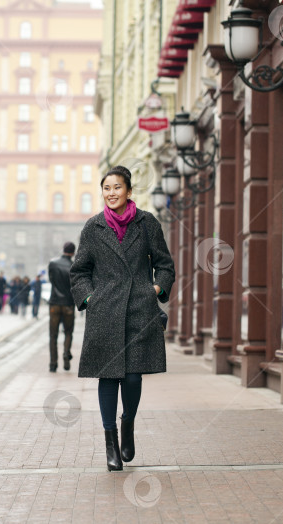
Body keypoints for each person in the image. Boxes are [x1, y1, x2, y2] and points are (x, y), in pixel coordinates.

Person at [70, 165, 175, 472]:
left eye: (117, 187)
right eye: (106, 188)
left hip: (139, 311)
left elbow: (165, 265)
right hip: (105, 312)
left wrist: (154, 289)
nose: (111, 193)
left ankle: (127, 422)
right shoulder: (93, 227)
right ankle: (110, 442)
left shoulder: (147, 224)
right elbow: (79, 271)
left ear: (129, 192)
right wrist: (90, 298)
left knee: (132, 376)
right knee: (109, 376)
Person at [48, 242, 76, 372]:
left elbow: (51, 280)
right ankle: (66, 353)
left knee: (53, 335)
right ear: (73, 252)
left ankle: (53, 363)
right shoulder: (73, 265)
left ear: (63, 249)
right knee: (68, 332)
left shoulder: (53, 264)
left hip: (54, 303)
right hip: (68, 304)